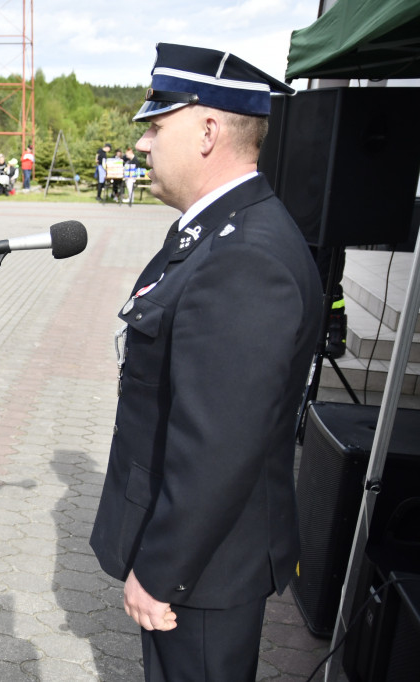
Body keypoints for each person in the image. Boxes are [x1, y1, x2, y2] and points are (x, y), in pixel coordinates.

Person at [88, 43, 323, 682]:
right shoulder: (219, 229)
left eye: (157, 126)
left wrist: (160, 570)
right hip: (203, 559)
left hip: (202, 569)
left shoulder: (245, 256)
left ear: (208, 130)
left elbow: (218, 446)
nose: (141, 145)